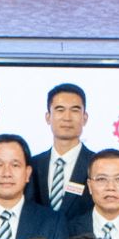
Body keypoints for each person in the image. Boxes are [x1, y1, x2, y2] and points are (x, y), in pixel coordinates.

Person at [31, 83, 95, 219]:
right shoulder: (32, 165)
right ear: (48, 117)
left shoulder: (97, 165)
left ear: (85, 118)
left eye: (75, 110)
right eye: (60, 110)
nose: (67, 117)